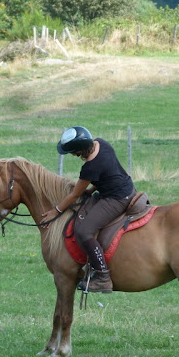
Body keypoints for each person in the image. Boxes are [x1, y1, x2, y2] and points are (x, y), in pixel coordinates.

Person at [40, 126, 136, 293]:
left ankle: (103, 277)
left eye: (73, 152)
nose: (72, 155)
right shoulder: (101, 143)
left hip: (116, 199)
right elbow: (107, 173)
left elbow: (73, 196)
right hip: (125, 188)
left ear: (79, 150)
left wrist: (56, 210)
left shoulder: (90, 167)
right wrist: (91, 191)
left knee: (84, 231)